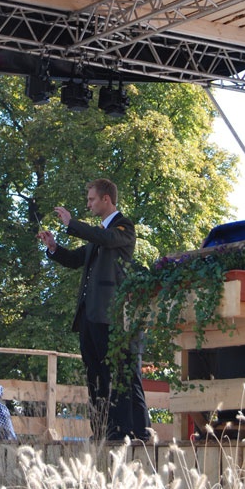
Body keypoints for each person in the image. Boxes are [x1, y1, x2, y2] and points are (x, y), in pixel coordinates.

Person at [37, 178, 150, 443]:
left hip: (110, 314)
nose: (88, 204)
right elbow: (76, 259)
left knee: (114, 373)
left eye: (91, 199)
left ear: (106, 199)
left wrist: (72, 224)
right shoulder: (98, 234)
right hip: (89, 315)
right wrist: (53, 248)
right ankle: (100, 429)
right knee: (94, 375)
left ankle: (121, 430)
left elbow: (105, 238)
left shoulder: (123, 227)